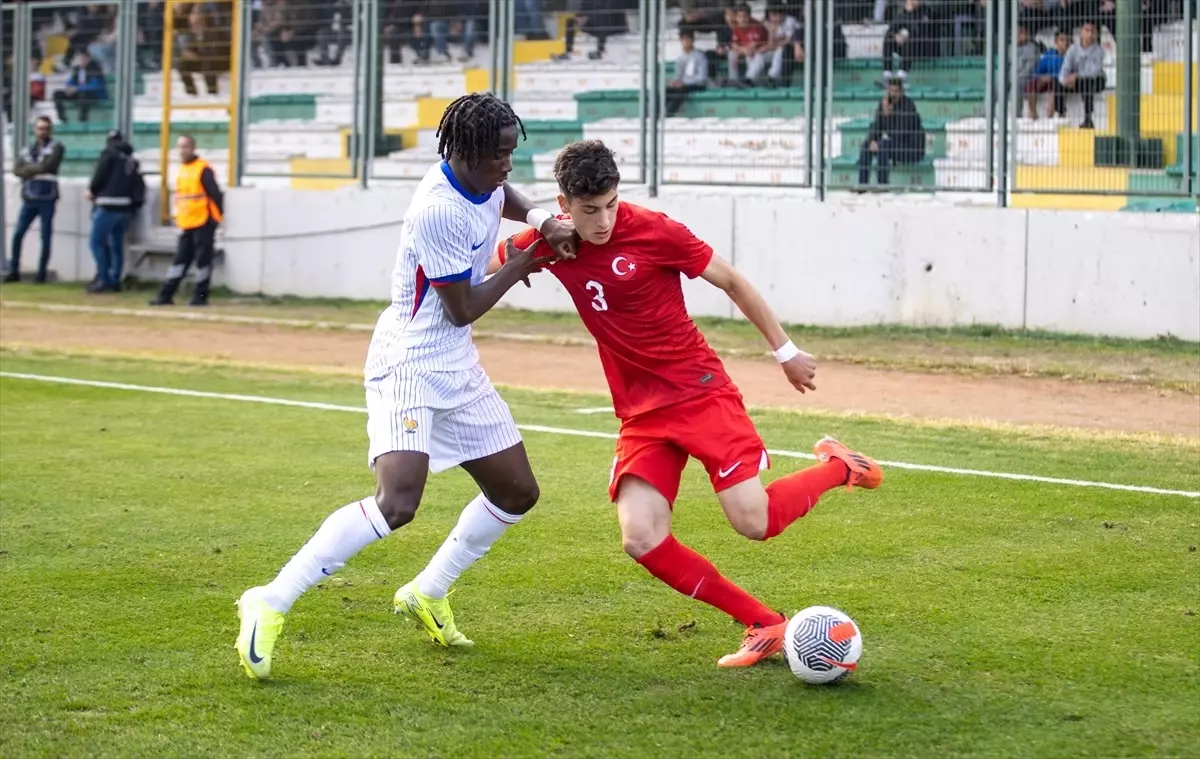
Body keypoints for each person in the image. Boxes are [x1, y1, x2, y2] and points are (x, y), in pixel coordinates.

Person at [402, 139, 884, 669]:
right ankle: (764, 622)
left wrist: (786, 352)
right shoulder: (551, 240)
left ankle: (841, 467)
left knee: (755, 521)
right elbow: (473, 269)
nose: (604, 219)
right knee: (641, 537)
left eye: (610, 203)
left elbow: (731, 279)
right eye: (589, 210)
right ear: (563, 205)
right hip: (641, 413)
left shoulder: (655, 229)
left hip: (699, 391)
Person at [232, 93, 579, 680]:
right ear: (467, 153)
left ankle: (427, 590)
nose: (509, 166)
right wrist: (525, 260)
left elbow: (504, 196)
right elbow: (463, 307)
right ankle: (270, 598)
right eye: (500, 155)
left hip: (456, 363)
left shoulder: (484, 175)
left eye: (511, 152)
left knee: (517, 491)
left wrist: (541, 219)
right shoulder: (435, 210)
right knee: (398, 503)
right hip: (410, 360)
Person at [149, 135, 224, 307]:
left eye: (185, 146)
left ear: (193, 148)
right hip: (187, 222)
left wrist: (215, 219)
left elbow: (216, 195)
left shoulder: (203, 169)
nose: (182, 150)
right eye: (180, 147)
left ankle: (200, 296)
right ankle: (165, 295)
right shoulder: (183, 170)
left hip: (203, 221)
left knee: (202, 261)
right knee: (180, 260)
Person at [6, 117, 64, 284]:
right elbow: (17, 169)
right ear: (35, 130)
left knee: (45, 236)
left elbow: (48, 167)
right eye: (40, 128)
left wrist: (29, 170)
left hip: (47, 196)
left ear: (50, 130)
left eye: (45, 128)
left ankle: (41, 274)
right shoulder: (27, 149)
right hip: (30, 196)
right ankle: (14, 270)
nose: (42, 132)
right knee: (18, 234)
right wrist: (34, 170)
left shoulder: (56, 147)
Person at [86, 130, 145, 293]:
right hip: (126, 207)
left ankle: (103, 278)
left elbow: (100, 175)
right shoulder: (132, 161)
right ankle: (115, 279)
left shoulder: (108, 154)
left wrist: (91, 190)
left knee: (96, 242)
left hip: (108, 203)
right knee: (116, 244)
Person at [858, 78, 925, 187]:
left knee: (884, 145)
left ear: (901, 92)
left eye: (895, 91)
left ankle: (882, 185)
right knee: (866, 146)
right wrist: (872, 141)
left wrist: (889, 115)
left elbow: (900, 134)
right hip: (894, 146)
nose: (893, 94)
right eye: (890, 91)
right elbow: (877, 126)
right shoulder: (884, 104)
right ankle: (862, 185)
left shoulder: (908, 106)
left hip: (911, 149)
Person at [1059, 21, 1105, 129]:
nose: (1090, 34)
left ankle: (1088, 119)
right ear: (1081, 33)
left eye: (1092, 31)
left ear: (1096, 34)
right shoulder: (1073, 49)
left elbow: (1094, 72)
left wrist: (1077, 76)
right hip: (1076, 80)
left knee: (1087, 83)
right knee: (1058, 84)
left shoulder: (1099, 50)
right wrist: (1064, 80)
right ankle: (1061, 115)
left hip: (1096, 80)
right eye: (1087, 30)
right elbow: (1065, 68)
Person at [52, 50, 107, 124]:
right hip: (79, 92)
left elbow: (95, 86)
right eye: (78, 59)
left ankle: (82, 119)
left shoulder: (95, 68)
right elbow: (71, 81)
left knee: (84, 94)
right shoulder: (77, 69)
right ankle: (62, 118)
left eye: (82, 58)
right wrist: (69, 88)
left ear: (88, 58)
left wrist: (77, 88)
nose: (80, 61)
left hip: (93, 94)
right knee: (57, 94)